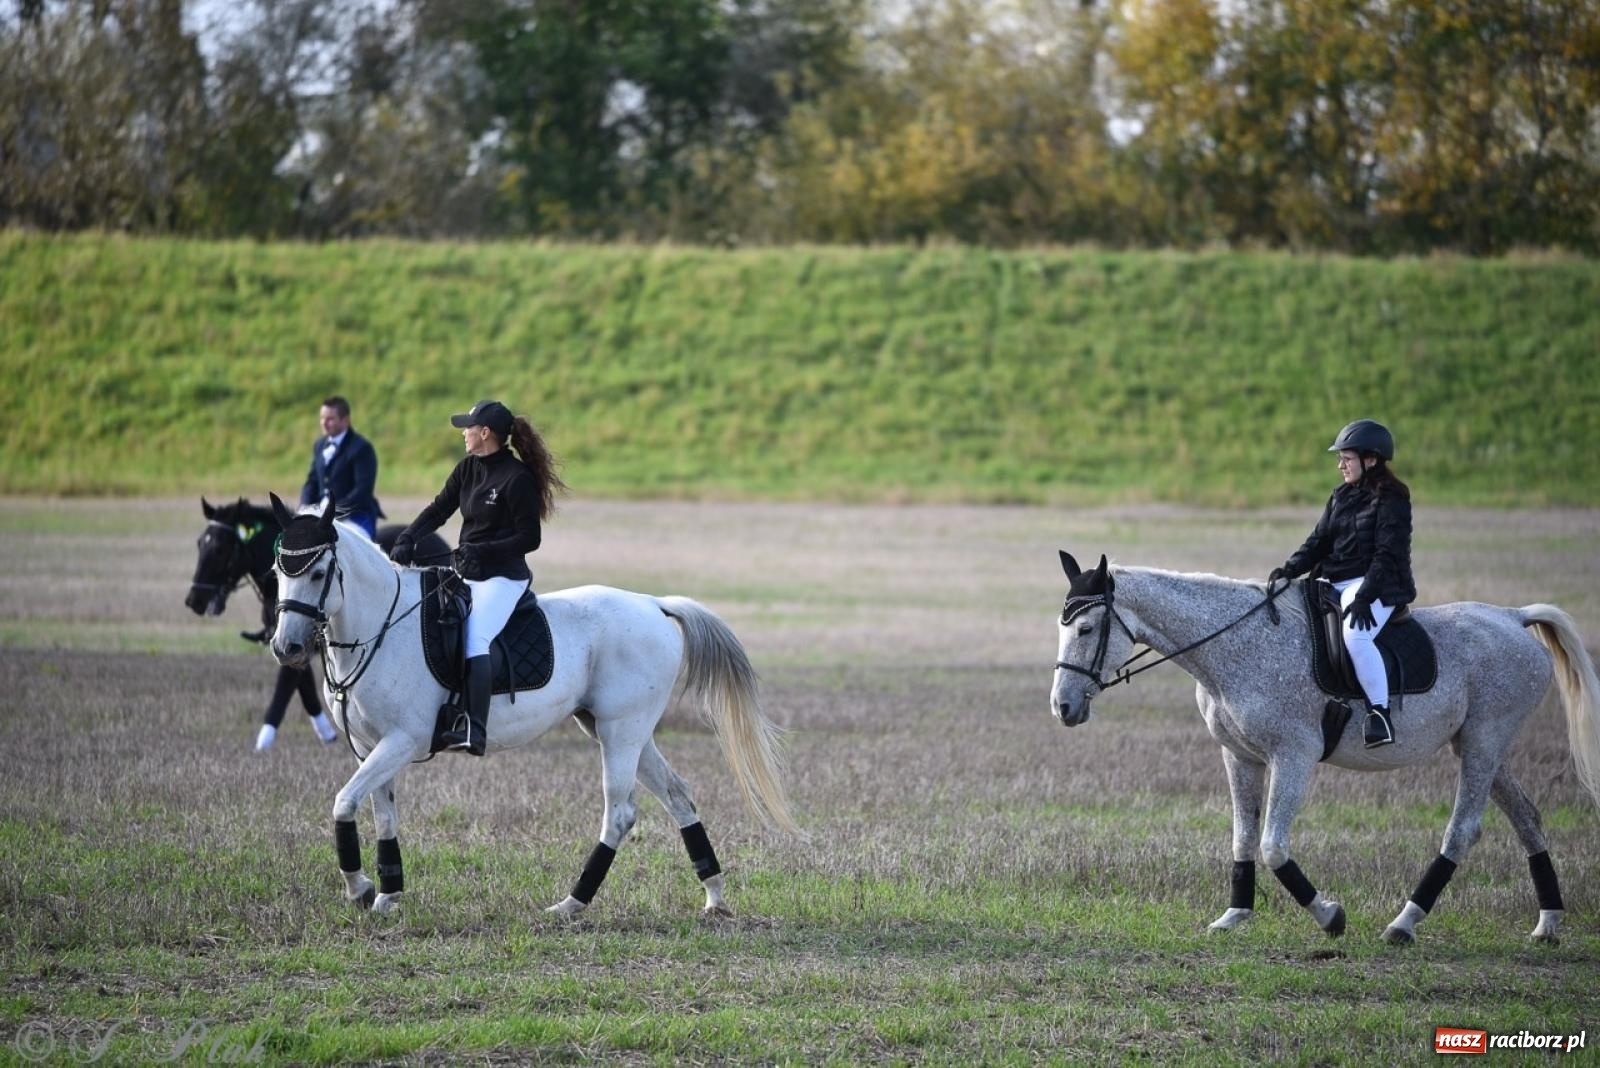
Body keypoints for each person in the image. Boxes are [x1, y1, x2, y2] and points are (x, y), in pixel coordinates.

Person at [388, 400, 567, 755]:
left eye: (467, 428)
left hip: (504, 578)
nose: (463, 433)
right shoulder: (467, 468)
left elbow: (530, 538)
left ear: (485, 433)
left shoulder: (517, 478)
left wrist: (483, 551)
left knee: (475, 638)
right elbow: (439, 509)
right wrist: (408, 537)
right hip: (467, 572)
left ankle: (475, 729)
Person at [1269, 419, 1416, 749]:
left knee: (1356, 635)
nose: (1340, 465)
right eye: (1341, 459)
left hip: (1378, 585)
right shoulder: (1341, 495)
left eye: (1347, 459)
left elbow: (1387, 555)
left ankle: (1379, 715)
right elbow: (1318, 541)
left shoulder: (1393, 499)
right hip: (1334, 580)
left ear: (1371, 459)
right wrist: (1289, 569)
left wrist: (1364, 596)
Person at [300, 395, 383, 539]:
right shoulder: (319, 445)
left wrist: (333, 511)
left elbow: (362, 490)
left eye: (330, 419)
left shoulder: (361, 447)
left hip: (355, 515)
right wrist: (305, 507)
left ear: (345, 420)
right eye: (322, 418)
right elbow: (312, 481)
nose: (324, 423)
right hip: (321, 513)